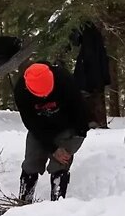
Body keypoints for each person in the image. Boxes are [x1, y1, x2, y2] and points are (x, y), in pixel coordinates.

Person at [14, 62, 89, 203]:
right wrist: (52, 148)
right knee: (31, 162)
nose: (46, 97)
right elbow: (31, 124)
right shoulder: (21, 91)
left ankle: (57, 204)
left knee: (60, 162)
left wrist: (74, 142)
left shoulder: (64, 79)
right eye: (42, 95)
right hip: (40, 128)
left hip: (67, 126)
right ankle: (24, 202)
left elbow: (81, 114)